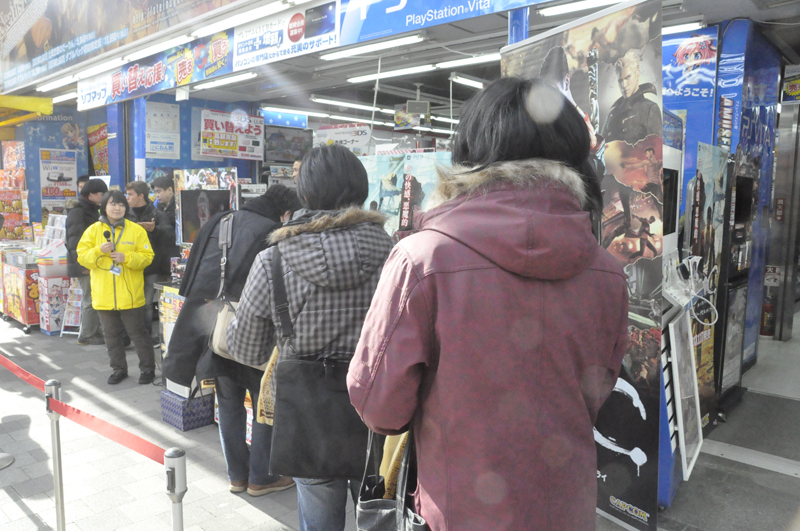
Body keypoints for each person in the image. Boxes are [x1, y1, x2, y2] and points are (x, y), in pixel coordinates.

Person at [347, 77, 629, 531]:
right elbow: (596, 394)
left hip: (461, 509)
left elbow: (380, 408)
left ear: (469, 151)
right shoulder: (608, 274)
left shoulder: (422, 260)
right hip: (567, 507)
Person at [228, 145, 393, 531]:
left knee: (318, 516)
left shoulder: (273, 259)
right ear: (361, 188)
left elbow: (246, 348)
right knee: (380, 512)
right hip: (379, 408)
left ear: (305, 191)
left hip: (307, 412)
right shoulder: (395, 253)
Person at [162, 185, 302, 497]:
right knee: (263, 402)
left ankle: (237, 476)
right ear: (285, 212)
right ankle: (261, 478)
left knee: (228, 402)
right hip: (257, 333)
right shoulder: (273, 231)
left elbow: (196, 278)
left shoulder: (221, 221)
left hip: (218, 330)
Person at [77, 190, 156, 385]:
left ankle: (148, 369)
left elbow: (147, 257)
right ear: (104, 207)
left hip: (130, 294)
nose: (117, 208)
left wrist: (126, 257)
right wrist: (98, 250)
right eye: (113, 204)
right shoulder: (93, 230)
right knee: (111, 336)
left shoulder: (136, 230)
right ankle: (118, 369)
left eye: (121, 204)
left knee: (138, 334)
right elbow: (82, 258)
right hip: (103, 294)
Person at [125, 181, 175, 343]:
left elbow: (170, 235)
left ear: (141, 196)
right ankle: (126, 336)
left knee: (147, 303)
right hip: (128, 264)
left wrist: (155, 229)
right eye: (127, 194)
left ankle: (145, 337)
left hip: (150, 266)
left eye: (130, 194)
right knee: (127, 302)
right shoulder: (124, 214)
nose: (127, 198)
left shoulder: (157, 214)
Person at [66, 178, 108, 346]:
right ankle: (87, 335)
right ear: (91, 194)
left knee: (94, 297)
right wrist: (83, 264)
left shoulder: (91, 210)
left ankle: (94, 331)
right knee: (90, 298)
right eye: (101, 194)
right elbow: (75, 242)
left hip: (93, 261)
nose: (103, 197)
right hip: (85, 263)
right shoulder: (79, 212)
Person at [601, 51, 662, 145]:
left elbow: (656, 150)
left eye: (627, 77)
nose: (624, 85)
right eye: (620, 80)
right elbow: (602, 148)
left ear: (637, 74)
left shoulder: (650, 109)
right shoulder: (613, 111)